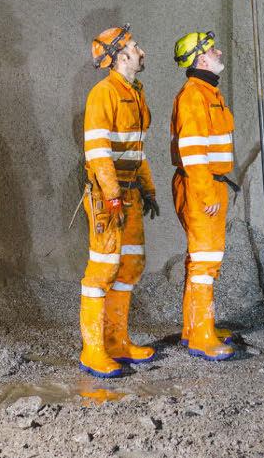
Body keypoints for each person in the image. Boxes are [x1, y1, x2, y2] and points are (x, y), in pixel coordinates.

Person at [78, 25, 161, 378]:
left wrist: (148, 189)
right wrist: (112, 197)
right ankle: (93, 350)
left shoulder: (135, 93)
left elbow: (136, 150)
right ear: (121, 55)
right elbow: (98, 152)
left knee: (130, 265)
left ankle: (117, 341)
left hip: (130, 193)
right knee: (103, 269)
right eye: (135, 46)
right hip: (108, 196)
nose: (142, 51)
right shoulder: (104, 93)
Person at [170, 30, 237, 360]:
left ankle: (194, 328)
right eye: (212, 50)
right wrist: (206, 192)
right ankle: (201, 336)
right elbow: (193, 151)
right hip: (201, 186)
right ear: (200, 59)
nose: (219, 52)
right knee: (205, 261)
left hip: (210, 184)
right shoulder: (194, 95)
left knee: (201, 259)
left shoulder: (208, 92)